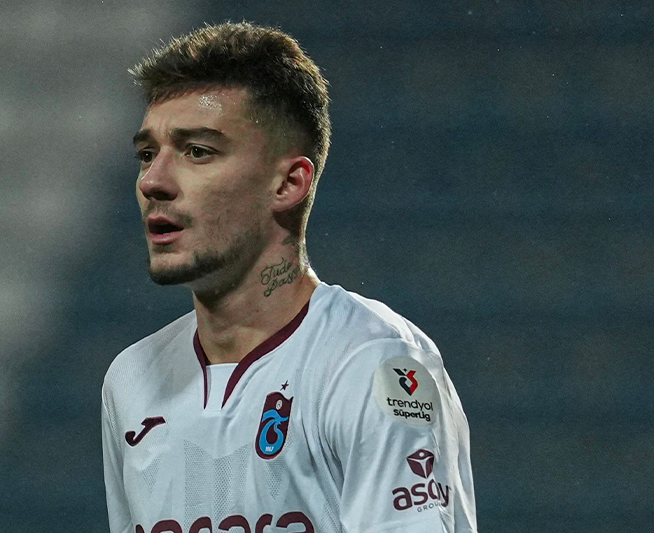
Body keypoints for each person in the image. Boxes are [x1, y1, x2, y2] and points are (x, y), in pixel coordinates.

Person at [102, 22, 477, 533]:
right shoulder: (132, 379)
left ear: (288, 183)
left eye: (197, 151)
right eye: (147, 154)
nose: (153, 181)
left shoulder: (373, 363)